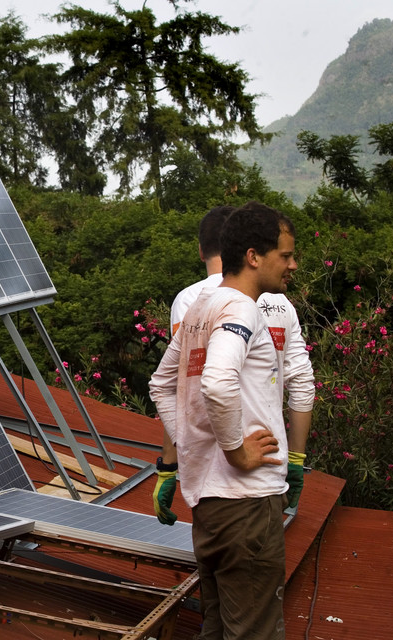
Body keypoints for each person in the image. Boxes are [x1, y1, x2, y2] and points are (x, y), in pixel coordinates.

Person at [148, 201, 310, 640]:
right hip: (247, 503)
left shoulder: (201, 305)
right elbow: (218, 383)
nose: (293, 264)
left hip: (210, 504)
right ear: (254, 256)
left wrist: (191, 445)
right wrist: (236, 452)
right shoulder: (241, 309)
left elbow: (161, 385)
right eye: (286, 254)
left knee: (217, 627)